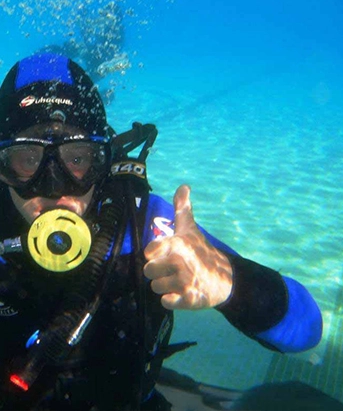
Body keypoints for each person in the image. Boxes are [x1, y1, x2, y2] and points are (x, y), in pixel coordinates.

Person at [0, 53, 322, 411]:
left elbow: (306, 329)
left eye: (77, 159)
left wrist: (230, 283)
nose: (55, 187)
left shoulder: (147, 226)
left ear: (102, 162)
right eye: (27, 160)